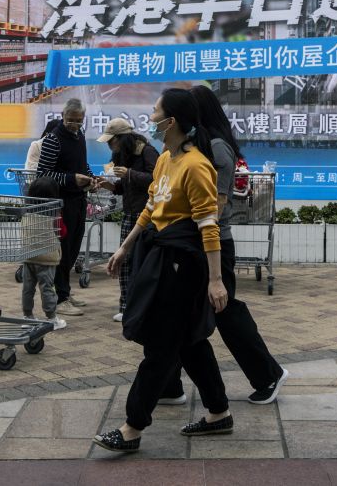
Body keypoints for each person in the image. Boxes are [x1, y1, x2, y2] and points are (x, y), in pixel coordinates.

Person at [94, 88, 232, 453]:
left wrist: (215, 280)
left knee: (160, 345)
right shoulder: (166, 161)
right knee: (189, 342)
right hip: (160, 255)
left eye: (155, 112)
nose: (150, 118)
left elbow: (208, 224)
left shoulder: (197, 165)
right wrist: (124, 247)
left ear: (171, 121)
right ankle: (219, 412)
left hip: (183, 265)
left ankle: (132, 427)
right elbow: (151, 207)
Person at [160, 85, 288, 404]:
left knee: (225, 311)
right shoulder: (196, 147)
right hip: (195, 244)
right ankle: (168, 384)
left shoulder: (217, 148)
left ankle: (268, 374)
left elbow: (215, 206)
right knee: (178, 313)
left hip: (213, 244)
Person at [95, 117, 159, 322]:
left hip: (148, 215)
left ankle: (147, 306)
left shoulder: (147, 151)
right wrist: (110, 185)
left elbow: (157, 181)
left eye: (112, 140)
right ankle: (125, 305)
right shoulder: (119, 155)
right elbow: (124, 187)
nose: (110, 145)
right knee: (124, 261)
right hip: (130, 213)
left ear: (123, 138)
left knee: (147, 262)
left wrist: (130, 174)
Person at [36, 99, 94, 316]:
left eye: (79, 121)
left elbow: (83, 164)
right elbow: (43, 174)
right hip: (61, 203)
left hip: (79, 200)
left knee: (73, 249)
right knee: (62, 250)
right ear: (63, 115)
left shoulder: (80, 135)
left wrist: (90, 178)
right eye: (70, 120)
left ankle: (65, 291)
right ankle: (60, 299)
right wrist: (71, 179)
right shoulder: (53, 139)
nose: (74, 124)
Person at [21, 177, 67, 330]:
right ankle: (51, 318)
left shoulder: (26, 211)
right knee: (47, 287)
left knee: (28, 288)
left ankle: (27, 316)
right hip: (46, 258)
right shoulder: (54, 213)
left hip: (28, 255)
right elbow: (62, 232)